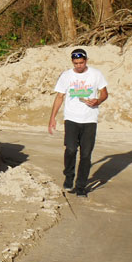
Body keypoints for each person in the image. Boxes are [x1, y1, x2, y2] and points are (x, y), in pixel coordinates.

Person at [48, 48, 109, 196]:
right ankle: (69, 176)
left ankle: (81, 186)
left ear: (86, 60)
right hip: (71, 119)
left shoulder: (96, 74)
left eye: (81, 63)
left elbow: (105, 93)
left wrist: (98, 100)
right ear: (72, 62)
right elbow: (59, 97)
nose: (79, 66)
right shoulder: (66, 76)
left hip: (90, 120)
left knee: (86, 154)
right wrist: (52, 118)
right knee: (70, 150)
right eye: (76, 63)